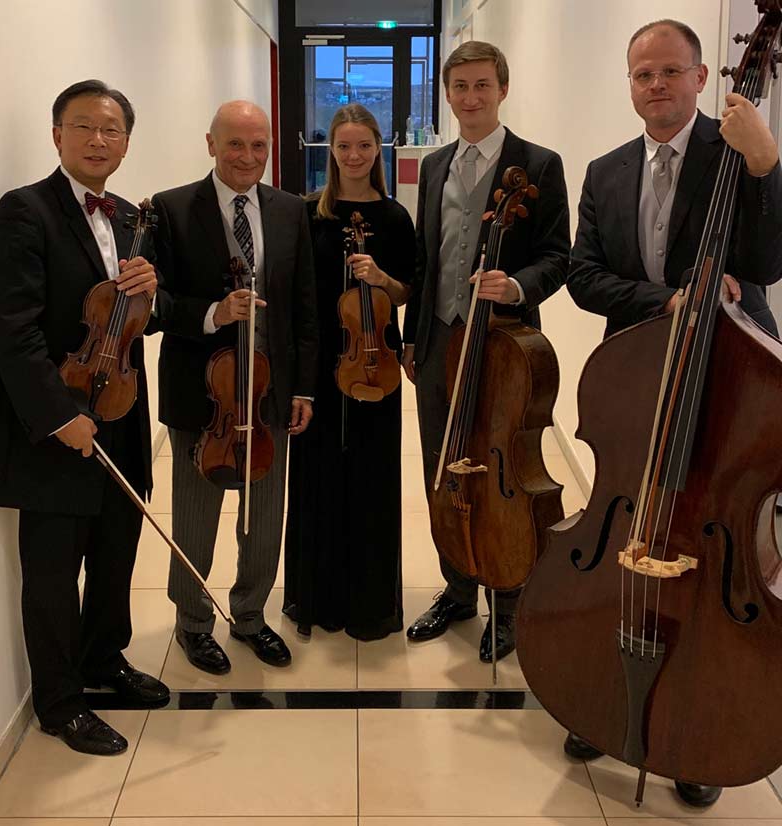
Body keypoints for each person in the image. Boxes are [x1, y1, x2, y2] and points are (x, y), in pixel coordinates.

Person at [565, 19, 782, 807]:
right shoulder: (606, 169)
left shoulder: (738, 155)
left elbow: (766, 261)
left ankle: (694, 727)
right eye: (641, 74)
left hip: (726, 378)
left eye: (669, 72)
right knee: (629, 528)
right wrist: (668, 298)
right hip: (638, 373)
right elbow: (586, 277)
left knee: (708, 533)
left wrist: (766, 160)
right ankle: (598, 693)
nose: (655, 85)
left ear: (700, 78)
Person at [0, 80, 169, 756]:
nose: (98, 140)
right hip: (58, 425)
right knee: (55, 574)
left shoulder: (126, 215)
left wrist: (156, 291)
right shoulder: (23, 212)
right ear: (56, 134)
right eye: (84, 126)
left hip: (120, 409)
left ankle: (104, 661)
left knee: (116, 555)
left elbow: (141, 318)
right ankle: (60, 704)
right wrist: (60, 415)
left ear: (126, 141)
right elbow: (12, 329)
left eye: (112, 130)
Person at [401, 41, 570, 663]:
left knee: (502, 467)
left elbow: (561, 255)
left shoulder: (540, 163)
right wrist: (412, 336)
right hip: (440, 337)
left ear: (502, 89)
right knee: (443, 466)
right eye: (460, 87)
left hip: (503, 346)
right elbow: (427, 258)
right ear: (446, 94)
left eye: (481, 86)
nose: (470, 98)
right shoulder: (436, 164)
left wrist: (518, 283)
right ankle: (457, 587)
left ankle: (507, 596)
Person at [153, 100, 318, 673]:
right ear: (209, 143)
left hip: (271, 387)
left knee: (265, 515)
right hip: (204, 394)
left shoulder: (291, 209)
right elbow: (155, 307)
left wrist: (303, 388)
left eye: (259, 145)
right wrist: (214, 312)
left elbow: (304, 305)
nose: (248, 157)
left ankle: (250, 616)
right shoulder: (171, 210)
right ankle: (193, 623)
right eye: (235, 145)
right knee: (196, 516)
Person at [283, 104, 414, 640]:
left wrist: (380, 276)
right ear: (330, 151)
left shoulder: (395, 216)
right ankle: (317, 598)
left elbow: (407, 292)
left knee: (371, 475)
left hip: (374, 359)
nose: (354, 156)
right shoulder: (308, 211)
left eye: (364, 146)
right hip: (319, 362)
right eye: (344, 147)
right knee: (317, 475)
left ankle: (368, 602)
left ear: (377, 148)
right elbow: (297, 295)